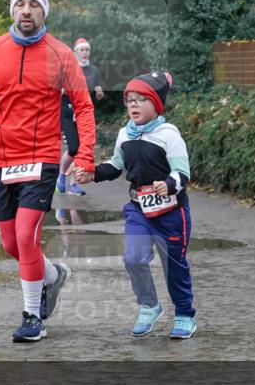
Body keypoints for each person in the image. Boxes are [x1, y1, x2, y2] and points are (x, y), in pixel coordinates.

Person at [0, 0, 96, 343]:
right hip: (1, 159)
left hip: (42, 158)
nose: (26, 10)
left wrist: (84, 156)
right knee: (12, 244)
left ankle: (32, 317)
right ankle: (53, 275)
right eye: (20, 4)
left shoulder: (61, 54)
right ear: (12, 9)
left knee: (26, 235)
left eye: (34, 5)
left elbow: (83, 107)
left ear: (43, 12)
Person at [73, 72, 196, 339]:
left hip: (172, 213)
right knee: (133, 258)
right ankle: (149, 306)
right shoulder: (124, 134)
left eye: (141, 99)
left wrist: (169, 184)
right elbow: (116, 166)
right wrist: (92, 173)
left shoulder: (168, 134)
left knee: (174, 267)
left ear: (156, 104)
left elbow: (182, 172)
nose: (133, 105)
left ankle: (185, 315)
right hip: (139, 209)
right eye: (130, 100)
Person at [57, 37, 105, 196]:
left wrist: (99, 93)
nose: (85, 53)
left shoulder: (93, 71)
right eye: (82, 50)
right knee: (73, 148)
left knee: (81, 149)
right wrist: (61, 89)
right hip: (67, 111)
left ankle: (73, 184)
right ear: (75, 52)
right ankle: (61, 175)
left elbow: (98, 93)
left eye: (87, 50)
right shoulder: (67, 68)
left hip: (83, 113)